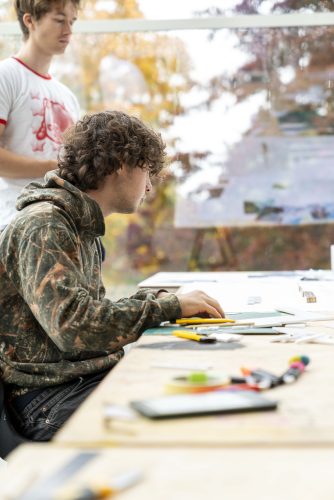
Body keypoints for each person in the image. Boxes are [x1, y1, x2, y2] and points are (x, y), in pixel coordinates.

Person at [0, 110, 224, 441]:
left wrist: (156, 300)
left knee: (202, 400)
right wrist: (169, 308)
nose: (149, 186)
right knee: (183, 432)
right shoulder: (45, 225)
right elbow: (74, 327)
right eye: (147, 171)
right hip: (47, 399)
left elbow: (88, 313)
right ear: (121, 162)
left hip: (77, 381)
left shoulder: (79, 225)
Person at [0, 0, 81, 228]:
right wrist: (52, 166)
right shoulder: (6, 76)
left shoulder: (68, 97)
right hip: (15, 218)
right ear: (30, 20)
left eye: (71, 22)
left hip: (61, 216)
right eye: (59, 20)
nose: (68, 31)